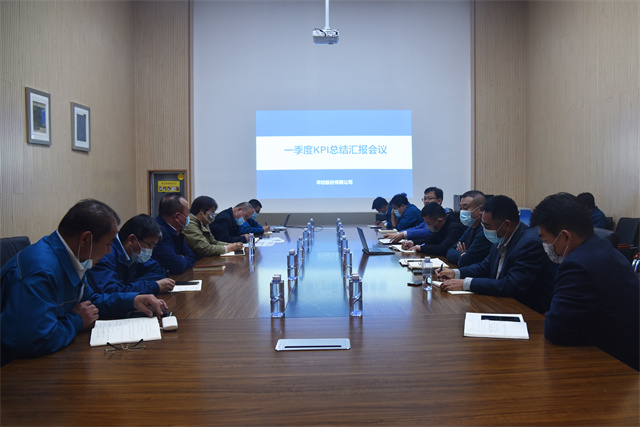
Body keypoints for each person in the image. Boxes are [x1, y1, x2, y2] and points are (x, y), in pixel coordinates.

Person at [1, 199, 168, 366]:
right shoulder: (40, 271)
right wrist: (77, 320)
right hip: (15, 368)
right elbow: (35, 340)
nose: (109, 251)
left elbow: (91, 301)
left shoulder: (73, 258)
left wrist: (132, 300)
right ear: (85, 239)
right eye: (108, 244)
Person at [531, 193, 639, 370]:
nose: (545, 246)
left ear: (565, 237)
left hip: (611, 365)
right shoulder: (605, 249)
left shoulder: (577, 265)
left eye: (545, 240)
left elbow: (556, 330)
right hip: (627, 355)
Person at [438, 195, 555, 313]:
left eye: (487, 226)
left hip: (528, 310)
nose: (484, 229)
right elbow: (484, 267)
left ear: (506, 225)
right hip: (502, 303)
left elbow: (511, 284)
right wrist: (456, 273)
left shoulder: (530, 243)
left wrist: (466, 284)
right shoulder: (500, 236)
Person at [87, 214, 175, 294]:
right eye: (149, 245)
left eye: (153, 246)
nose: (150, 250)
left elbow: (158, 270)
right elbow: (111, 291)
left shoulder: (134, 253)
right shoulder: (106, 255)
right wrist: (151, 286)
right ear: (132, 239)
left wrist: (131, 287)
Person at [152, 193, 196, 275]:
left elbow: (191, 256)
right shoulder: (158, 232)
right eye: (188, 213)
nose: (189, 216)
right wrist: (181, 258)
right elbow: (176, 266)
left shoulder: (175, 230)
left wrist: (180, 258)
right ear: (177, 217)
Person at [446, 190, 492, 267]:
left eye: (465, 208)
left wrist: (464, 256)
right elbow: (449, 251)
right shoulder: (471, 228)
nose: (462, 212)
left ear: (481, 210)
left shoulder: (485, 231)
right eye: (461, 208)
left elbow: (466, 261)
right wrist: (462, 255)